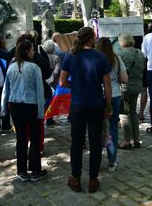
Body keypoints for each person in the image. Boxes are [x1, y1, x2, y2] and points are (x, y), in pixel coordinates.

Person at [60, 27, 112, 193]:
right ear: (90, 39)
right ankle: (92, 179)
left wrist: (75, 86)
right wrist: (108, 105)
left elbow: (62, 82)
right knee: (95, 142)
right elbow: (107, 84)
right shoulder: (101, 57)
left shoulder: (70, 56)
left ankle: (75, 178)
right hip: (96, 104)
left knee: (76, 142)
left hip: (78, 104)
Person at [1, 38, 47, 182]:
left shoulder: (11, 67)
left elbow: (5, 90)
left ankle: (21, 170)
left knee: (20, 138)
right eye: (32, 49)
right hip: (31, 106)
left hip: (15, 106)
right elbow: (40, 92)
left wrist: (4, 108)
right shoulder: (34, 68)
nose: (34, 52)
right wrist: (41, 112)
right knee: (34, 138)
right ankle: (35, 170)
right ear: (27, 51)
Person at [95, 37, 128, 172]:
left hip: (96, 96)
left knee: (95, 129)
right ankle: (112, 161)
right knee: (113, 129)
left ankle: (95, 161)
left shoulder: (94, 59)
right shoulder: (116, 59)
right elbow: (125, 79)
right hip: (114, 96)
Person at [117, 33, 145, 149]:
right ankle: (137, 139)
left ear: (122, 42)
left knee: (124, 114)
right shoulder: (140, 53)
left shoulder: (120, 54)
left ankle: (127, 141)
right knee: (133, 113)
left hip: (125, 87)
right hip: (137, 85)